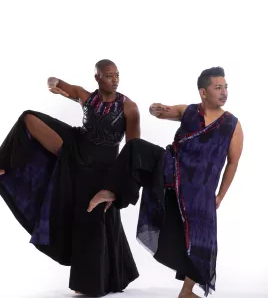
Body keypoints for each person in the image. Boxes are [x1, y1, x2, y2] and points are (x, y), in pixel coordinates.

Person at [0, 59, 140, 296]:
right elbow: (57, 81)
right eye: (108, 75)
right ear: (97, 78)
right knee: (28, 118)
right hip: (75, 147)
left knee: (94, 218)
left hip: (102, 167)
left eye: (117, 75)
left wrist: (117, 184)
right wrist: (53, 85)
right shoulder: (86, 96)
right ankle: (4, 167)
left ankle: (97, 283)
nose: (114, 79)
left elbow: (132, 150)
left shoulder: (129, 107)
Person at [87, 67, 244, 298]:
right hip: (170, 168)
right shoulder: (190, 111)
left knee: (201, 240)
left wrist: (220, 196)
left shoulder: (232, 125)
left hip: (199, 190)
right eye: (218, 87)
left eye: (225, 87)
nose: (224, 92)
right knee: (135, 148)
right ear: (203, 91)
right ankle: (112, 191)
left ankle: (187, 291)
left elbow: (232, 163)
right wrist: (155, 109)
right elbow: (163, 112)